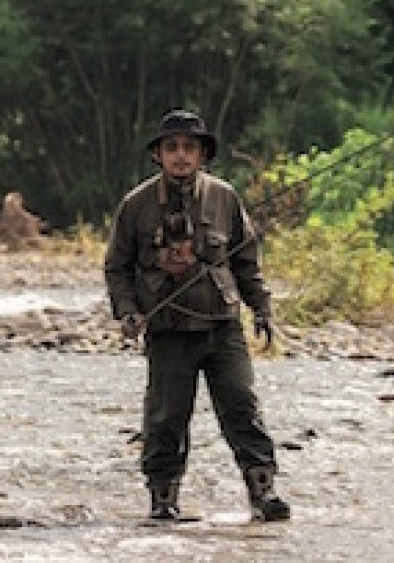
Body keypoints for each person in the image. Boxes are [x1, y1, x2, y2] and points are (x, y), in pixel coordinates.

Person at [103, 108, 292, 523]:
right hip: (168, 328)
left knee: (241, 404)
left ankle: (263, 491)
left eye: (190, 148)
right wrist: (129, 312)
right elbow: (116, 268)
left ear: (203, 154)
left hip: (222, 325)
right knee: (166, 416)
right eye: (172, 148)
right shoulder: (135, 206)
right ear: (159, 155)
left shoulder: (224, 198)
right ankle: (163, 497)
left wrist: (261, 308)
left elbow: (246, 261)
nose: (181, 156)